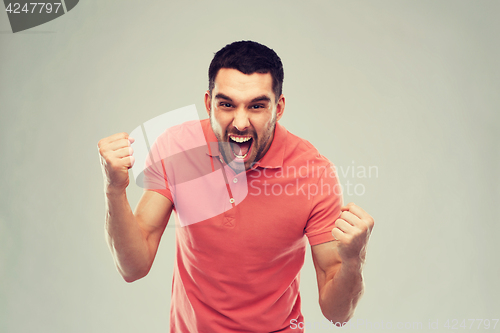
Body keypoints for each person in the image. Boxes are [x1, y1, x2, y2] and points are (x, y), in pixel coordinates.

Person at [98, 40, 374, 332]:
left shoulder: (314, 174)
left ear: (278, 108)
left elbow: (337, 315)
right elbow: (133, 267)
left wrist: (354, 259)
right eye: (227, 104)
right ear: (208, 104)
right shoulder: (176, 147)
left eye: (256, 106)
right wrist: (113, 189)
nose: (240, 122)